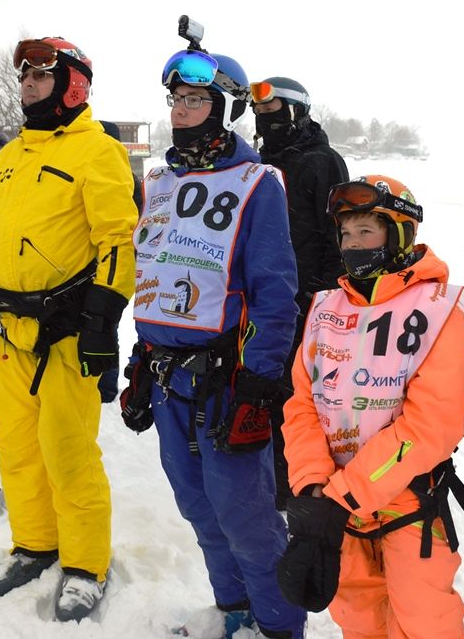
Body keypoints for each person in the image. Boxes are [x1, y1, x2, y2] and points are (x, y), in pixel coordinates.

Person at [119, 41, 305, 638]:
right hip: (168, 373)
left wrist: (260, 379)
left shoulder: (258, 182)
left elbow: (276, 292)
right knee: (197, 507)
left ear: (225, 108)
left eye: (196, 98)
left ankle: (278, 627)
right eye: (176, 98)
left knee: (245, 515)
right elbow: (154, 273)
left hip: (228, 379)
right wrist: (141, 361)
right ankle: (234, 613)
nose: (180, 109)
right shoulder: (158, 183)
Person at [0, 37, 137, 622]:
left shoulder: (97, 152)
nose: (28, 83)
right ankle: (35, 542)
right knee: (20, 447)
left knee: (67, 450)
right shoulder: (6, 157)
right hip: (6, 331)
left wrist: (103, 317)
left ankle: (84, 564)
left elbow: (116, 240)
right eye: (24, 75)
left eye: (42, 75)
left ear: (73, 84)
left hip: (65, 329)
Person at [279, 174, 464, 637]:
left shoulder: (442, 309)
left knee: (423, 619)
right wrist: (312, 485)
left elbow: (431, 425)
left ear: (398, 235)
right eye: (345, 234)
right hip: (335, 502)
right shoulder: (326, 307)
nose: (353, 245)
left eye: (366, 232)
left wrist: (340, 495)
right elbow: (302, 405)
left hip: (408, 500)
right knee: (358, 616)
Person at [250, 76, 349, 509]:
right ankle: (269, 482)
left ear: (295, 111)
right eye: (259, 114)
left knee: (299, 399)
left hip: (308, 304)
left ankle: (300, 488)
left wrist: (323, 299)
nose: (263, 120)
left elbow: (338, 237)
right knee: (264, 390)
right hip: (260, 303)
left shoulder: (321, 161)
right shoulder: (257, 163)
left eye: (272, 112)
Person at [95, 119, 142, 405]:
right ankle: (105, 384)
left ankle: (106, 386)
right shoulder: (125, 175)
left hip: (113, 263)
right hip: (113, 262)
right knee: (104, 323)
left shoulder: (120, 176)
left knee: (105, 321)